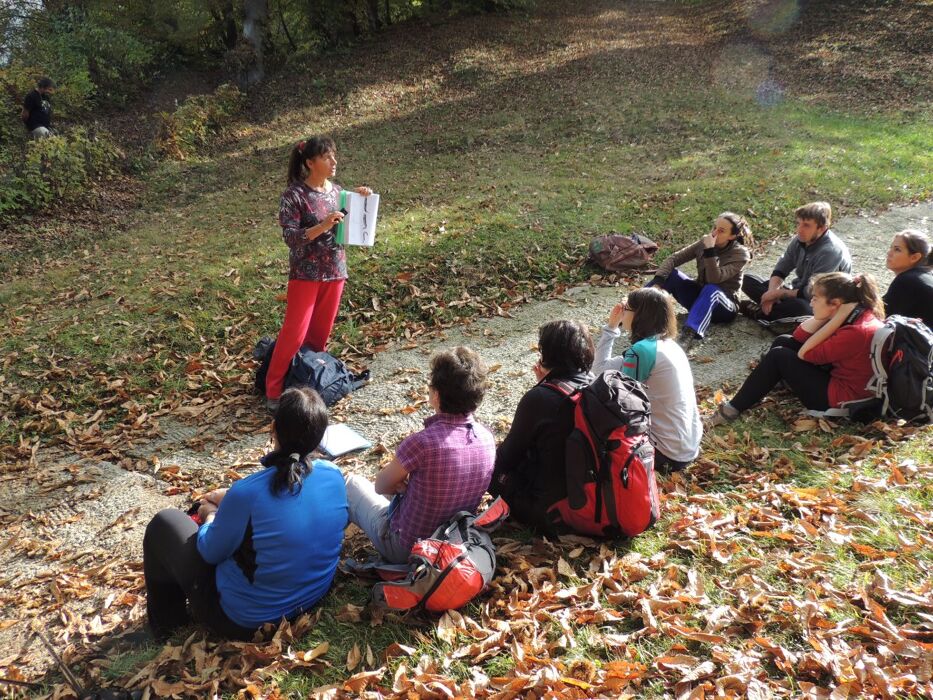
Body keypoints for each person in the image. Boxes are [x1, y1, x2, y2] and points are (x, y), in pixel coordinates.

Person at [143, 387, 347, 640]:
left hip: (247, 620)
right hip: (312, 595)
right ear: (320, 436)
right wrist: (231, 501)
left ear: (273, 429)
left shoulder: (246, 494)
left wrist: (210, 515)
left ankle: (166, 626)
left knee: (164, 523)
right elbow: (287, 504)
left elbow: (209, 551)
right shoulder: (333, 475)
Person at [345, 347, 496, 563]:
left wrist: (401, 485)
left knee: (352, 484)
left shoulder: (421, 443)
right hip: (452, 545)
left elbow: (380, 486)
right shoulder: (487, 438)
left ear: (436, 394)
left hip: (407, 549)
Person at [264, 136, 372, 412]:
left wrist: (361, 199)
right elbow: (291, 237)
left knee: (319, 336)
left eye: (334, 156)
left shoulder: (337, 193)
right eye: (327, 157)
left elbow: (351, 224)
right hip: (305, 274)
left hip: (335, 270)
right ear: (310, 163)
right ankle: (273, 391)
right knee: (294, 334)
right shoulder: (294, 195)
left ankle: (307, 388)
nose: (334, 161)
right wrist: (322, 226)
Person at [708, 272, 884, 426]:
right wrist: (828, 317)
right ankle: (768, 383)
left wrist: (835, 319)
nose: (811, 303)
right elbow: (799, 337)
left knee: (779, 356)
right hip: (840, 378)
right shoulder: (857, 314)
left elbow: (805, 353)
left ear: (836, 304)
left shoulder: (855, 330)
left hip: (841, 398)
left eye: (815, 298)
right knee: (784, 341)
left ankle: (731, 410)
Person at [489, 320, 595, 531]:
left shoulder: (539, 398)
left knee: (490, 470)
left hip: (551, 513)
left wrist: (541, 388)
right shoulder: (595, 385)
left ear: (547, 354)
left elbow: (507, 457)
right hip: (594, 500)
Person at [593, 288, 702, 472]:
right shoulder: (668, 346)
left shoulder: (642, 351)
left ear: (639, 315)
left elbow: (600, 376)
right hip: (689, 447)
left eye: (626, 308)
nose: (622, 312)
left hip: (665, 453)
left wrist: (611, 328)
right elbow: (602, 369)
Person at [740, 202, 852, 327]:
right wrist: (772, 293)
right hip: (796, 292)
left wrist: (780, 294)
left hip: (820, 301)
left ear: (822, 228)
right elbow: (781, 269)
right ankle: (776, 311)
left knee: (802, 310)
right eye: (798, 223)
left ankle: (760, 314)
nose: (799, 229)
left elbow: (814, 292)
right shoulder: (800, 240)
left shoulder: (831, 251)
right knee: (747, 280)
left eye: (806, 225)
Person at [648, 212, 752, 346]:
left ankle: (688, 335)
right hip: (700, 299)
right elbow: (673, 259)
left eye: (721, 231)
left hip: (724, 307)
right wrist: (658, 282)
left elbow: (715, 279)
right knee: (671, 274)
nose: (714, 233)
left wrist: (710, 251)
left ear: (732, 236)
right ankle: (635, 306)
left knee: (712, 289)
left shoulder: (740, 254)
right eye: (714, 227)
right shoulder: (705, 242)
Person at [883, 229, 933, 328]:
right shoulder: (925, 275)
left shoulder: (907, 281)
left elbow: (879, 315)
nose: (889, 253)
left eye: (897, 249)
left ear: (914, 257)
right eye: (891, 247)